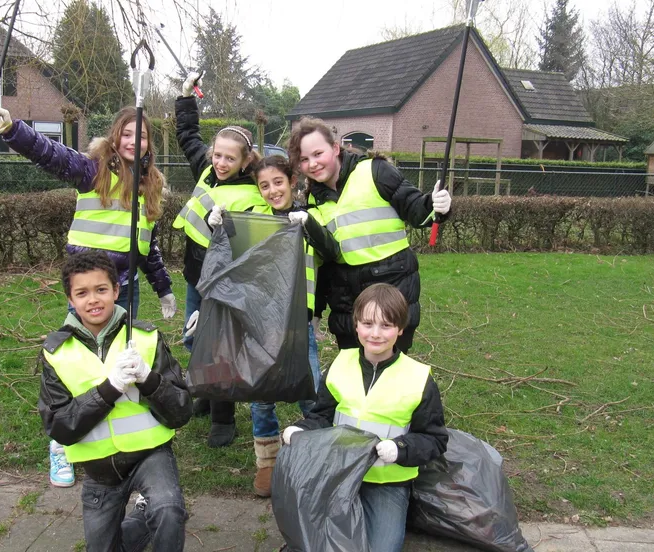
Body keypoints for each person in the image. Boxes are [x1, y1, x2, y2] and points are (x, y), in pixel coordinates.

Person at [0, 103, 178, 487]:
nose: (132, 142)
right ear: (115, 135)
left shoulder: (151, 184)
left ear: (149, 142)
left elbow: (147, 247)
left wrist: (164, 289)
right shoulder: (93, 169)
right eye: (126, 134)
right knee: (79, 363)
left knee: (122, 361)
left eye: (141, 136)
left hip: (125, 287)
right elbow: (50, 154)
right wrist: (11, 129)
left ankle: (124, 442)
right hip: (88, 283)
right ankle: (61, 444)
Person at [187, 155, 339, 496]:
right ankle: (267, 465)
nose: (272, 191)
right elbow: (229, 261)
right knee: (260, 395)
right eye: (264, 186)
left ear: (292, 181)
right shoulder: (253, 219)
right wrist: (216, 226)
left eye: (278, 182)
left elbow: (331, 251)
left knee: (310, 392)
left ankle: (311, 460)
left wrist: (310, 225)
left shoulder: (307, 218)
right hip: (257, 322)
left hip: (297, 322)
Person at [38, 251, 192, 551]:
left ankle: (153, 510)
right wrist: (110, 389)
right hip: (100, 470)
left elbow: (181, 411)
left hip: (151, 454)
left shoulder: (145, 338)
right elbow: (60, 427)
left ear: (117, 291)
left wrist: (149, 379)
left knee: (169, 511)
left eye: (101, 290)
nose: (93, 299)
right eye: (82, 293)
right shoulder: (57, 353)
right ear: (70, 298)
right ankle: (141, 518)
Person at [282, 283, 448, 552]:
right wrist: (301, 429)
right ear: (356, 325)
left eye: (386, 325)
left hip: (386, 483)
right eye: (368, 323)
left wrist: (400, 449)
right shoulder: (340, 364)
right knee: (309, 539)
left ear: (400, 329)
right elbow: (322, 415)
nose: (376, 334)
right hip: (338, 474)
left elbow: (435, 440)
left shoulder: (418, 378)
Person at [288, 118, 452, 354]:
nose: (312, 164)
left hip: (392, 290)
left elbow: (414, 208)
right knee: (355, 380)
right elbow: (324, 260)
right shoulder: (314, 198)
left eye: (317, 153)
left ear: (335, 148)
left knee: (389, 377)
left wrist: (435, 206)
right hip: (348, 306)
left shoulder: (375, 171)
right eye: (304, 159)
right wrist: (317, 312)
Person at [173, 71, 268, 448]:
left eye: (230, 158)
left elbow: (250, 246)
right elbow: (187, 136)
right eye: (218, 155)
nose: (221, 162)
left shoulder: (252, 193)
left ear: (246, 161)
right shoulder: (208, 171)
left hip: (224, 282)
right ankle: (207, 394)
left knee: (220, 347)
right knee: (194, 341)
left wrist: (223, 230)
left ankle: (223, 419)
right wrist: (185, 99)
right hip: (195, 275)